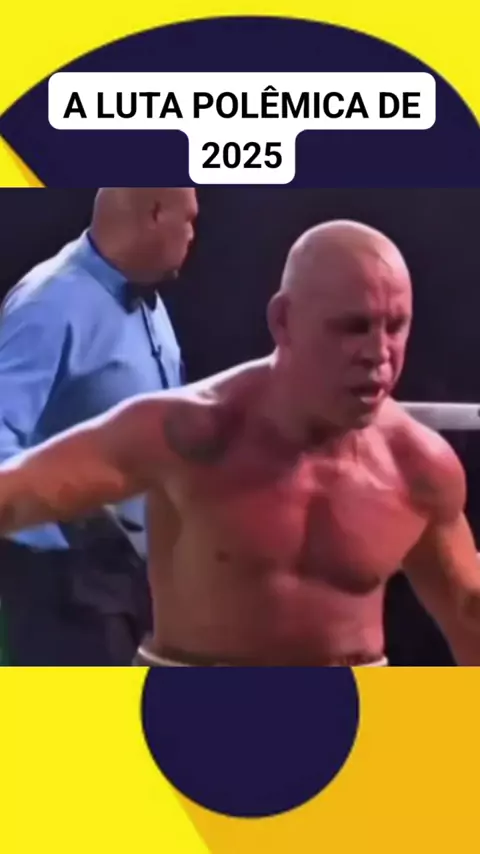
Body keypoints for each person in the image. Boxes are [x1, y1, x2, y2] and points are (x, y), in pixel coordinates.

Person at [0, 218, 479, 667]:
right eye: (352, 326)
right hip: (190, 707)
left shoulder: (418, 466)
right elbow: (13, 496)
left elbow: (468, 612)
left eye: (395, 326)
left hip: (356, 713)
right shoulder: (188, 434)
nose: (379, 353)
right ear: (284, 321)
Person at [0, 187, 198, 665]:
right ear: (155, 213)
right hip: (66, 588)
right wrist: (69, 526)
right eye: (189, 219)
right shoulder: (49, 304)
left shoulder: (148, 300)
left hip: (141, 583)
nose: (194, 234)